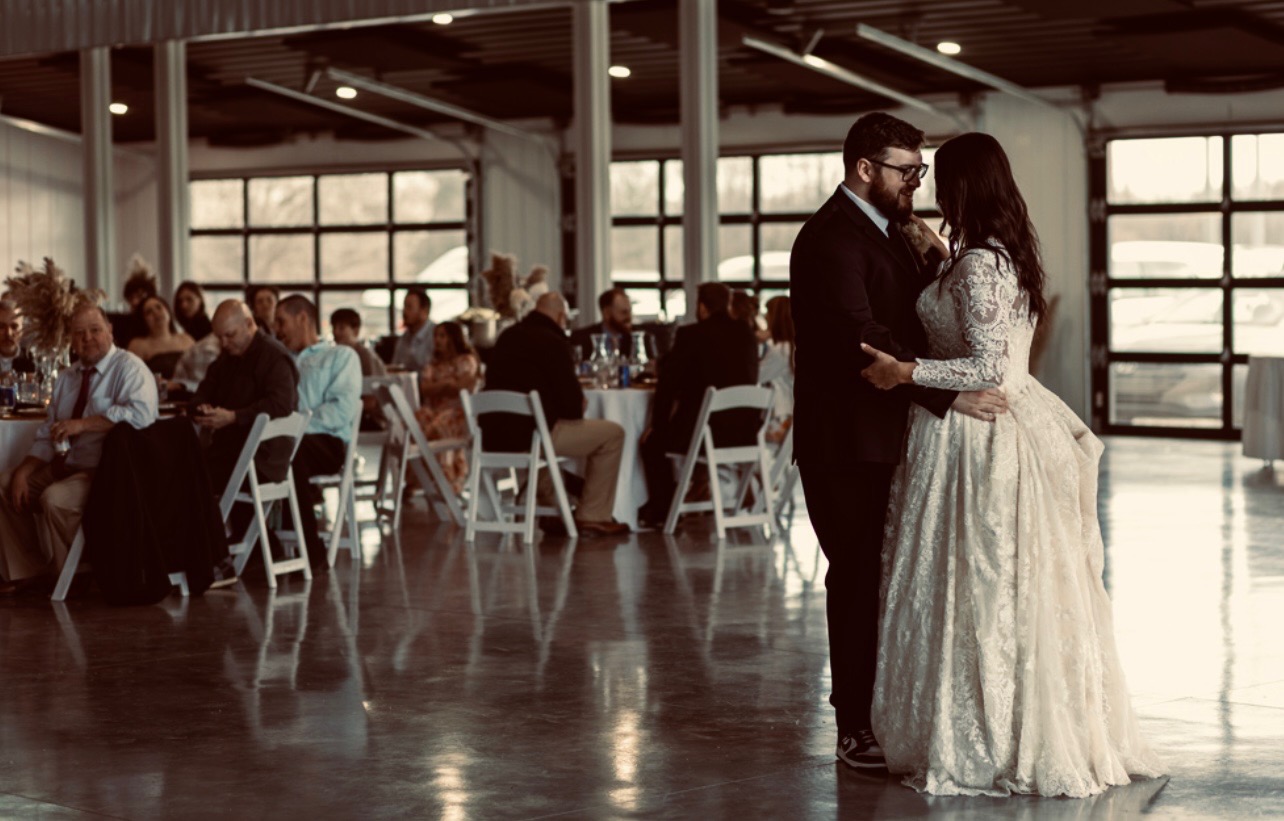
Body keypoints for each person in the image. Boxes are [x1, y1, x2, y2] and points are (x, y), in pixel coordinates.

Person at [859, 132, 1164, 797]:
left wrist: (904, 370)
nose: (931, 188)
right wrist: (938, 257)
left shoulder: (978, 266)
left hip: (979, 434)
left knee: (979, 581)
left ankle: (986, 730)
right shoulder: (992, 256)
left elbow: (988, 367)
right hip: (986, 423)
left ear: (962, 184)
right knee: (989, 584)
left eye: (939, 177)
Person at [788, 112, 1008, 771]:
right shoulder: (830, 240)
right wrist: (946, 388)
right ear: (864, 168)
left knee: (893, 577)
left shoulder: (890, 231)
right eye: (905, 170)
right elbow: (864, 339)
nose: (916, 181)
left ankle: (889, 709)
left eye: (919, 170)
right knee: (857, 578)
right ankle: (853, 724)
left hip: (898, 432)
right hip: (847, 442)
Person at [0, 303, 158, 594]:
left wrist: (83, 425)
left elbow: (142, 415)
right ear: (71, 340)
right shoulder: (67, 377)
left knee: (55, 499)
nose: (87, 338)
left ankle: (76, 575)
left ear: (110, 331)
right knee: (6, 483)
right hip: (64, 465)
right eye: (79, 333)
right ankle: (31, 571)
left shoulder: (129, 368)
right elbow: (48, 434)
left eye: (95, 330)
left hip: (104, 473)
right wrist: (24, 471)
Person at [483, 292, 628, 537]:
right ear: (561, 316)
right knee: (613, 434)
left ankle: (554, 509)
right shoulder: (553, 341)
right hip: (535, 437)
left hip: (494, 437)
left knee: (545, 431)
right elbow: (572, 410)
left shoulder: (507, 336)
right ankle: (592, 515)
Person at [636, 282, 759, 528]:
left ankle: (663, 509)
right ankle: (680, 500)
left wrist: (657, 426)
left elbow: (667, 386)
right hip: (746, 432)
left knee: (652, 443)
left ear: (702, 307)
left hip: (706, 434)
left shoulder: (691, 334)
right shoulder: (746, 334)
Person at [274, 295, 361, 570]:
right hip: (284, 440)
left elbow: (341, 410)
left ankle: (310, 549)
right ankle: (259, 544)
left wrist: (296, 427)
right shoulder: (279, 360)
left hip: (327, 442)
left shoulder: (340, 355)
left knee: (289, 450)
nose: (277, 329)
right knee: (251, 449)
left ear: (302, 318)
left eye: (281, 321)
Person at [192, 300, 299, 499]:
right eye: (219, 337)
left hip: (262, 458)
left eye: (230, 335)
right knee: (178, 466)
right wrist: (202, 408)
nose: (224, 343)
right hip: (232, 453)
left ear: (249, 324)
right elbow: (202, 392)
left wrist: (234, 417)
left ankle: (207, 530)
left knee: (183, 474)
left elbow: (281, 403)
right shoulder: (226, 359)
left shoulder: (274, 356)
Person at [414, 321, 480, 493]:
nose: (437, 340)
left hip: (459, 413)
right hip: (436, 410)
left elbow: (463, 388)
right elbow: (425, 389)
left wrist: (441, 387)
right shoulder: (433, 364)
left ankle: (449, 476)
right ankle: (420, 477)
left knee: (440, 423)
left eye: (442, 336)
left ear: (453, 338)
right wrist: (446, 384)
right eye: (435, 336)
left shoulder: (466, 360)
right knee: (417, 418)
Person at [570, 287, 647, 362]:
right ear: (606, 313)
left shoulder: (641, 337)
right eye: (624, 312)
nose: (629, 317)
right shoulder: (581, 339)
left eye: (630, 311)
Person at [127, 295, 195, 379]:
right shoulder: (138, 345)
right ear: (143, 320)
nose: (156, 313)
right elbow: (133, 378)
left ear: (168, 311)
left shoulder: (186, 339)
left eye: (159, 307)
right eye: (149, 312)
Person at [757, 296, 795, 442]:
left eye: (768, 311)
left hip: (781, 417)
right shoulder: (792, 347)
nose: (765, 316)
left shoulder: (780, 350)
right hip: (790, 414)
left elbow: (756, 376)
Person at [330, 308, 386, 378]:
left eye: (341, 328)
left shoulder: (365, 356)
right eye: (334, 327)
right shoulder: (336, 355)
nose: (335, 332)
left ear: (356, 330)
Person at [391, 288, 434, 372]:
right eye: (404, 306)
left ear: (424, 311)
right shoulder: (404, 338)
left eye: (409, 307)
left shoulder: (437, 336)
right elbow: (395, 368)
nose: (404, 311)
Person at [0, 299, 36, 374]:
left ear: (22, 329)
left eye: (14, 327)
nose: (8, 333)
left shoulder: (32, 361)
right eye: (1, 326)